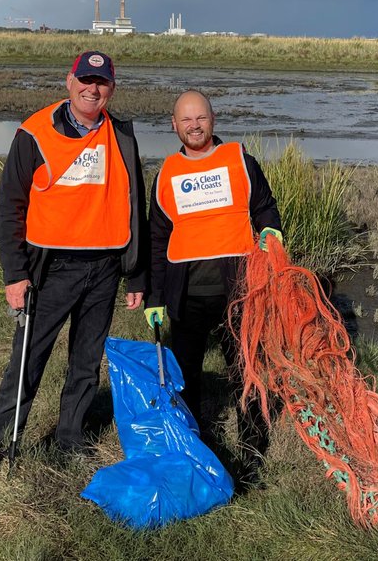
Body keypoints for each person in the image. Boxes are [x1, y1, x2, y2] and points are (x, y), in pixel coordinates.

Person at [0, 50, 148, 485]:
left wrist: (137, 272)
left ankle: (69, 441)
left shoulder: (122, 135)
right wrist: (15, 275)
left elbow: (135, 206)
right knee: (28, 362)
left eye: (102, 82)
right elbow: (9, 208)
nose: (93, 89)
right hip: (49, 270)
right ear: (69, 82)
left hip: (106, 267)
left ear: (112, 88)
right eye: (86, 80)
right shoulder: (34, 133)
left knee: (87, 362)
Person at [144, 89, 282, 489]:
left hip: (239, 290)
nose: (194, 125)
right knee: (186, 375)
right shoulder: (166, 173)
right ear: (174, 125)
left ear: (213, 119)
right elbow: (157, 239)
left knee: (246, 371)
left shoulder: (239, 160)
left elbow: (265, 208)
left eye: (200, 117)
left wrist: (271, 230)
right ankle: (194, 449)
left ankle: (252, 452)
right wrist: (154, 297)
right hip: (186, 296)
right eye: (186, 120)